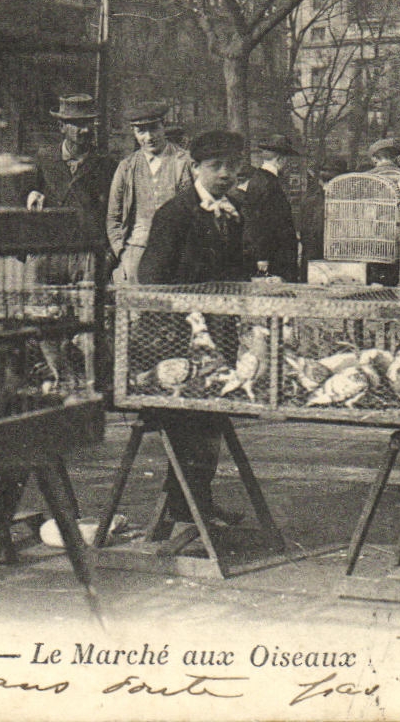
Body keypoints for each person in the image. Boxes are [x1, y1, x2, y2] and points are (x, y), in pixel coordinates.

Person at [137, 130, 252, 547]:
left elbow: (233, 272)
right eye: (215, 166)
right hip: (175, 339)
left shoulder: (233, 210)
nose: (225, 174)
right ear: (195, 169)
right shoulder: (176, 213)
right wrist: (180, 329)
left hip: (215, 333)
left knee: (209, 421)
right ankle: (188, 506)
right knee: (190, 422)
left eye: (232, 167)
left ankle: (193, 502)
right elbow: (150, 279)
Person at [24, 93, 115, 282]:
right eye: (78, 124)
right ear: (62, 127)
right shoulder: (45, 159)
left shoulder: (106, 164)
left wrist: (108, 256)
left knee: (91, 309)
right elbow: (27, 201)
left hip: (89, 254)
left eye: (89, 123)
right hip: (50, 252)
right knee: (46, 309)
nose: (85, 130)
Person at [104, 102, 193, 284]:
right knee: (134, 307)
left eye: (154, 129)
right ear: (134, 133)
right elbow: (113, 217)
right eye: (141, 131)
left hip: (175, 250)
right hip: (136, 249)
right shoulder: (127, 167)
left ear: (163, 127)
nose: (149, 137)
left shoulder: (184, 162)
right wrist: (122, 252)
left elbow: (193, 211)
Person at [233, 133, 301, 281]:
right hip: (274, 257)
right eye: (289, 159)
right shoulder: (266, 182)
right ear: (281, 159)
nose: (290, 164)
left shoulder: (265, 180)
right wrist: (261, 256)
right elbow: (256, 222)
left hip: (277, 254)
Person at [297, 156, 347, 274]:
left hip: (311, 257)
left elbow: (304, 231)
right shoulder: (345, 201)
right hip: (336, 257)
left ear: (320, 179)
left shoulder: (308, 199)